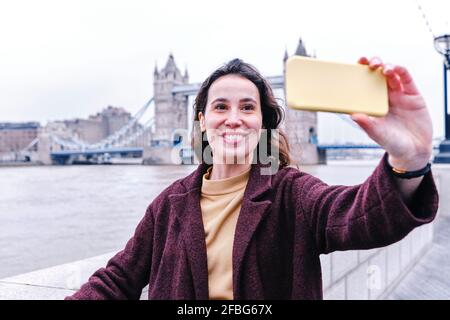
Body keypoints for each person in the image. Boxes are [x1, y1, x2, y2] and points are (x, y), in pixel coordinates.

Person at [66, 57, 438, 300]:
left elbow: (358, 217)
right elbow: (118, 279)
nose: (234, 118)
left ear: (263, 122)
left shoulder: (292, 193)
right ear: (201, 119)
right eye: (220, 107)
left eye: (248, 107)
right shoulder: (169, 203)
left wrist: (410, 158)